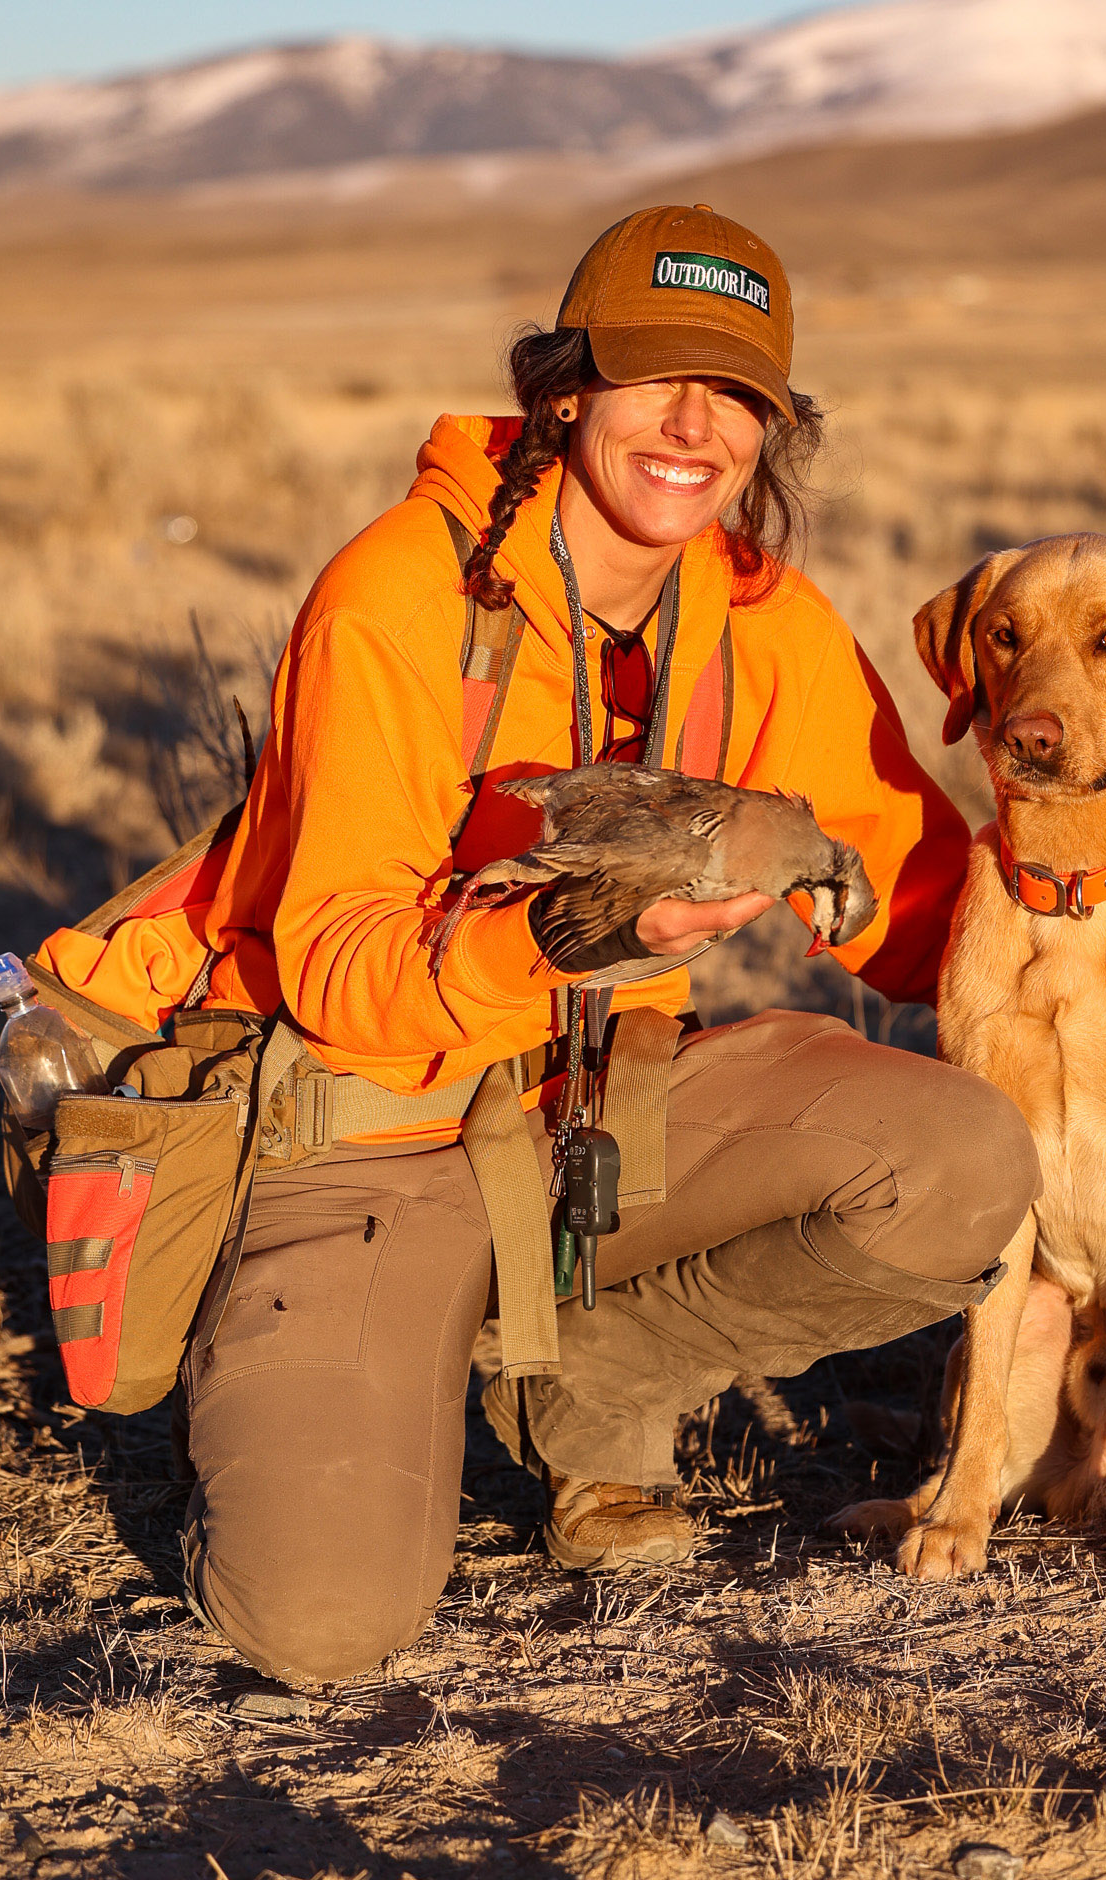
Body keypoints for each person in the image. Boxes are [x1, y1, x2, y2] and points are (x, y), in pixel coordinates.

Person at [178, 203, 1040, 1682]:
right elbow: (334, 968)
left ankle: (584, 1374)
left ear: (774, 430)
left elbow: (912, 907)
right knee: (318, 1627)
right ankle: (353, 1353)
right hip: (370, 1142)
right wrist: (584, 934)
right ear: (565, 389)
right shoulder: (397, 596)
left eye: (740, 397)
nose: (693, 427)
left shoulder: (762, 623)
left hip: (594, 1129)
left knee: (960, 1161)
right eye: (654, 378)